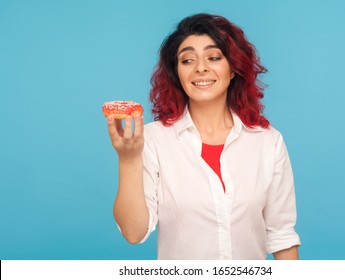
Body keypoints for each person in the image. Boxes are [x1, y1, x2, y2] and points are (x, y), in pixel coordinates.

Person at [106, 13, 300, 260]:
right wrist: (128, 159)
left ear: (233, 69)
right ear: (177, 73)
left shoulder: (268, 142)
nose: (200, 68)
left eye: (214, 57)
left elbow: (282, 237)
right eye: (187, 60)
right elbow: (134, 233)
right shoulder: (153, 139)